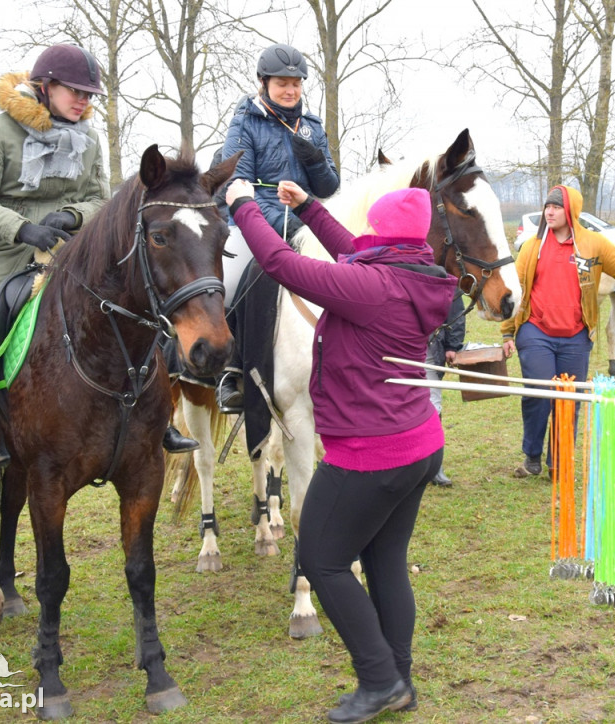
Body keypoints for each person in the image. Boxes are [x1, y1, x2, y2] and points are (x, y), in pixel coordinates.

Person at [226, 176, 454, 723]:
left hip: (370, 455)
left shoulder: (373, 287)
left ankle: (378, 679)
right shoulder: (416, 271)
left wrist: (242, 206)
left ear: (385, 234)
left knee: (321, 560)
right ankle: (399, 679)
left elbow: (281, 265)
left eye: (373, 225)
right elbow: (352, 249)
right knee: (385, 561)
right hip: (420, 443)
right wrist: (307, 208)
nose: (366, 233)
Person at [0, 44, 113, 504]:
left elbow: (100, 198)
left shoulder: (89, 138)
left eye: (88, 93)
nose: (83, 101)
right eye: (75, 91)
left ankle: (155, 423)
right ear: (45, 85)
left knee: (131, 305)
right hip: (1, 251)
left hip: (67, 250)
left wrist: (71, 216)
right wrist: (21, 227)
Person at [501, 185, 615, 478]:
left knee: (569, 398)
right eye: (547, 206)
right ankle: (532, 453)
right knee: (540, 391)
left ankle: (558, 461)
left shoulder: (593, 245)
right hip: (535, 332)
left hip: (575, 337)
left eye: (556, 206)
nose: (550, 211)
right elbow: (517, 291)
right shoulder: (532, 247)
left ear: (571, 209)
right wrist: (508, 334)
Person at [217, 42, 340, 413]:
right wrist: (278, 226)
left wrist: (315, 159)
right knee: (231, 281)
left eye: (296, 84)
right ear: (264, 83)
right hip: (253, 219)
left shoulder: (312, 127)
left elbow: (329, 188)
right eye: (282, 83)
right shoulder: (245, 122)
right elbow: (236, 183)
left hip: (309, 221)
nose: (290, 90)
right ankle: (232, 372)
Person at [424, 289, 466, 487]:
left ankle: (434, 466)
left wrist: (452, 345)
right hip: (394, 344)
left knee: (433, 403)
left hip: (430, 345)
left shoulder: (441, 266)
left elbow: (454, 305)